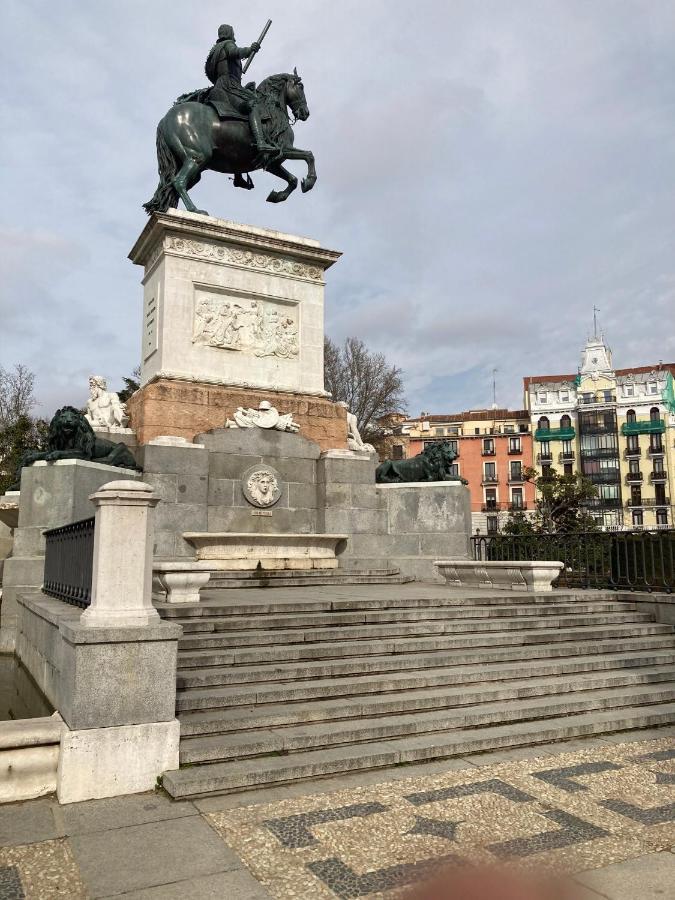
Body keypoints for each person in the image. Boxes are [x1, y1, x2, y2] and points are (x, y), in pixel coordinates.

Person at [205, 24, 277, 155]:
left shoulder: (215, 50)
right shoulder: (227, 44)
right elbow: (236, 52)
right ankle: (261, 142)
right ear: (230, 33)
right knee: (253, 104)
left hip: (221, 85)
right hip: (228, 86)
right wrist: (251, 49)